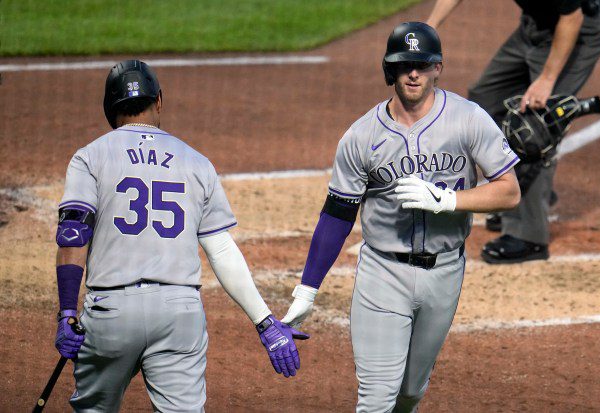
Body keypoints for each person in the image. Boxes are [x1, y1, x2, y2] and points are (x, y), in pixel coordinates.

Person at [281, 22, 521, 412]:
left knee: (410, 392)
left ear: (438, 68)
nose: (414, 73)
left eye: (423, 65)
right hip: (383, 273)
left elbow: (510, 191)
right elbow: (337, 215)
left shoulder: (468, 119)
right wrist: (308, 289)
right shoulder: (361, 136)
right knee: (376, 398)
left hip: (445, 272)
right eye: (405, 64)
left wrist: (448, 201)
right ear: (389, 69)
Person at [53, 59, 308, 412]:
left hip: (111, 313)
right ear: (159, 100)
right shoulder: (196, 162)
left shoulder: (90, 157)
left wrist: (66, 312)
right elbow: (220, 248)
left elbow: (72, 234)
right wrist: (265, 322)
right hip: (179, 313)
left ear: (109, 108)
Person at [426, 0, 600, 263]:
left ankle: (530, 236)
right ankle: (517, 193)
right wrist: (431, 26)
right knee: (486, 99)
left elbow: (571, 19)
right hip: (534, 27)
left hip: (577, 30)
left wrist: (546, 80)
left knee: (536, 125)